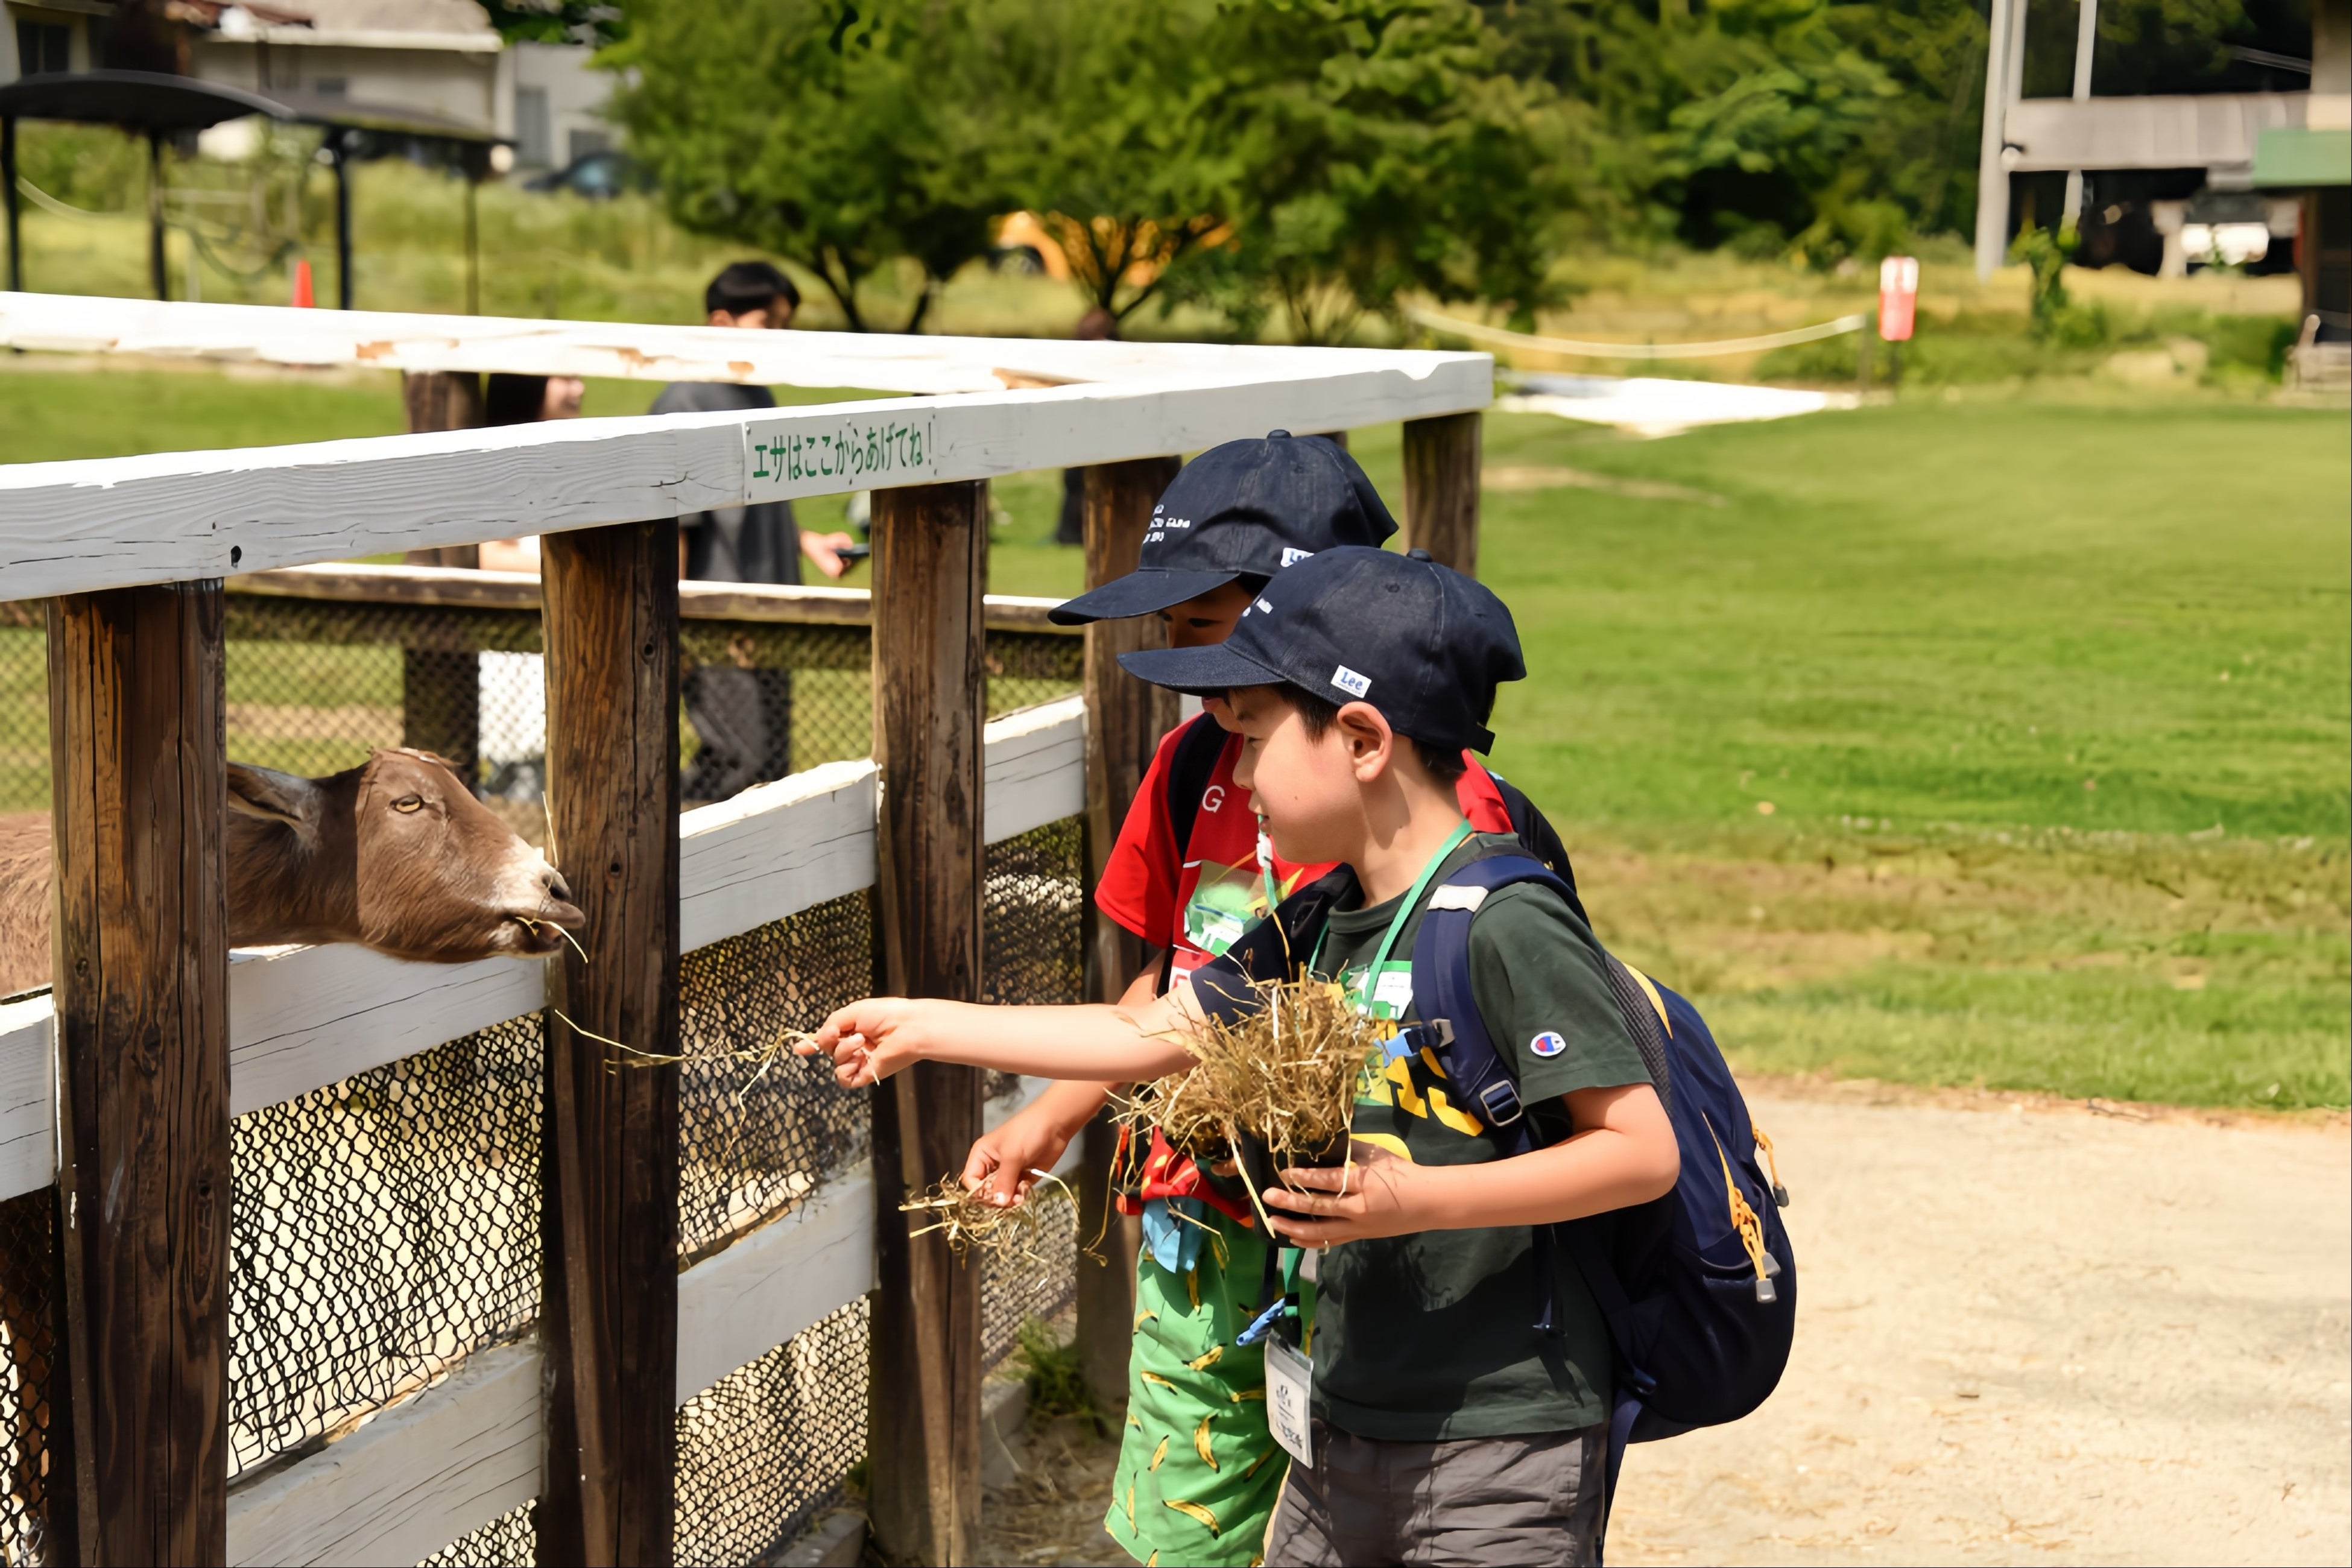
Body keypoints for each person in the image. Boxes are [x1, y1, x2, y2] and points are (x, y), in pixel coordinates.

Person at [809, 546, 1677, 1567]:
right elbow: (1160, 1031)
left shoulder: (1505, 919)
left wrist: (1412, 1202)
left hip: (1502, 1435)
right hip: (1348, 1413)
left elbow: (1638, 1151)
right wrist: (928, 1026)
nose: (1239, 766)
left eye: (1258, 733)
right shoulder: (1322, 916)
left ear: (1360, 740)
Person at [654, 260, 857, 801]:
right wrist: (668, 628)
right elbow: (672, 529)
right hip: (717, 625)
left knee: (770, 766)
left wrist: (807, 541)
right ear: (722, 322)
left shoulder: (758, 397)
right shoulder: (685, 403)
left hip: (770, 617)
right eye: (771, 323)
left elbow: (744, 503)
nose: (782, 338)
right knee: (735, 763)